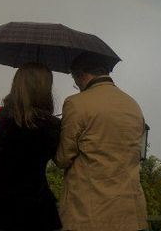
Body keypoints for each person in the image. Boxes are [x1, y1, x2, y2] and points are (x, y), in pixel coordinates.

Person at [0, 62, 62, 231]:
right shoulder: (53, 125)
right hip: (39, 216)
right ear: (46, 90)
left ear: (16, 84)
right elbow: (61, 160)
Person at [55, 53, 147, 231]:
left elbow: (63, 158)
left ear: (81, 75)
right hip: (130, 214)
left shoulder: (76, 103)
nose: (78, 86)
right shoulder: (133, 105)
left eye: (75, 81)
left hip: (88, 214)